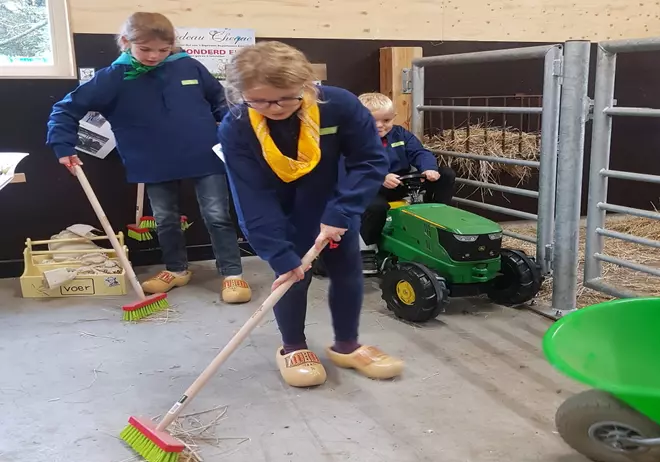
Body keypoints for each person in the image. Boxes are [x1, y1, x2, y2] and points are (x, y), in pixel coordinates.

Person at [218, 41, 404, 388]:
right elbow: (251, 196)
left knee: (347, 271)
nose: (274, 108)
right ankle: (293, 346)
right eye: (259, 100)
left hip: (333, 205)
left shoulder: (339, 105)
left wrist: (342, 210)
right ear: (240, 93)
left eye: (286, 98)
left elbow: (368, 161)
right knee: (290, 276)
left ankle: (346, 345)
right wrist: (278, 250)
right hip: (280, 212)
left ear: (306, 85)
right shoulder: (237, 125)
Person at [46, 12, 251, 304]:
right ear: (126, 42)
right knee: (165, 219)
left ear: (172, 46)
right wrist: (63, 146)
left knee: (217, 216)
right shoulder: (113, 77)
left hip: (204, 155)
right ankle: (176, 269)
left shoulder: (188, 66)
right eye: (145, 49)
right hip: (152, 159)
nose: (154, 56)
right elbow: (65, 110)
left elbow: (220, 101)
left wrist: (237, 135)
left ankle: (231, 272)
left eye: (163, 50)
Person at [358, 92, 456, 247]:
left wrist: (428, 169)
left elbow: (419, 152)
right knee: (376, 207)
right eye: (372, 120)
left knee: (446, 174)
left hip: (400, 183)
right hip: (369, 188)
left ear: (394, 117)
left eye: (386, 120)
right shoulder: (355, 139)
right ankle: (369, 246)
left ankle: (436, 221)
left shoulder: (400, 134)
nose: (379, 125)